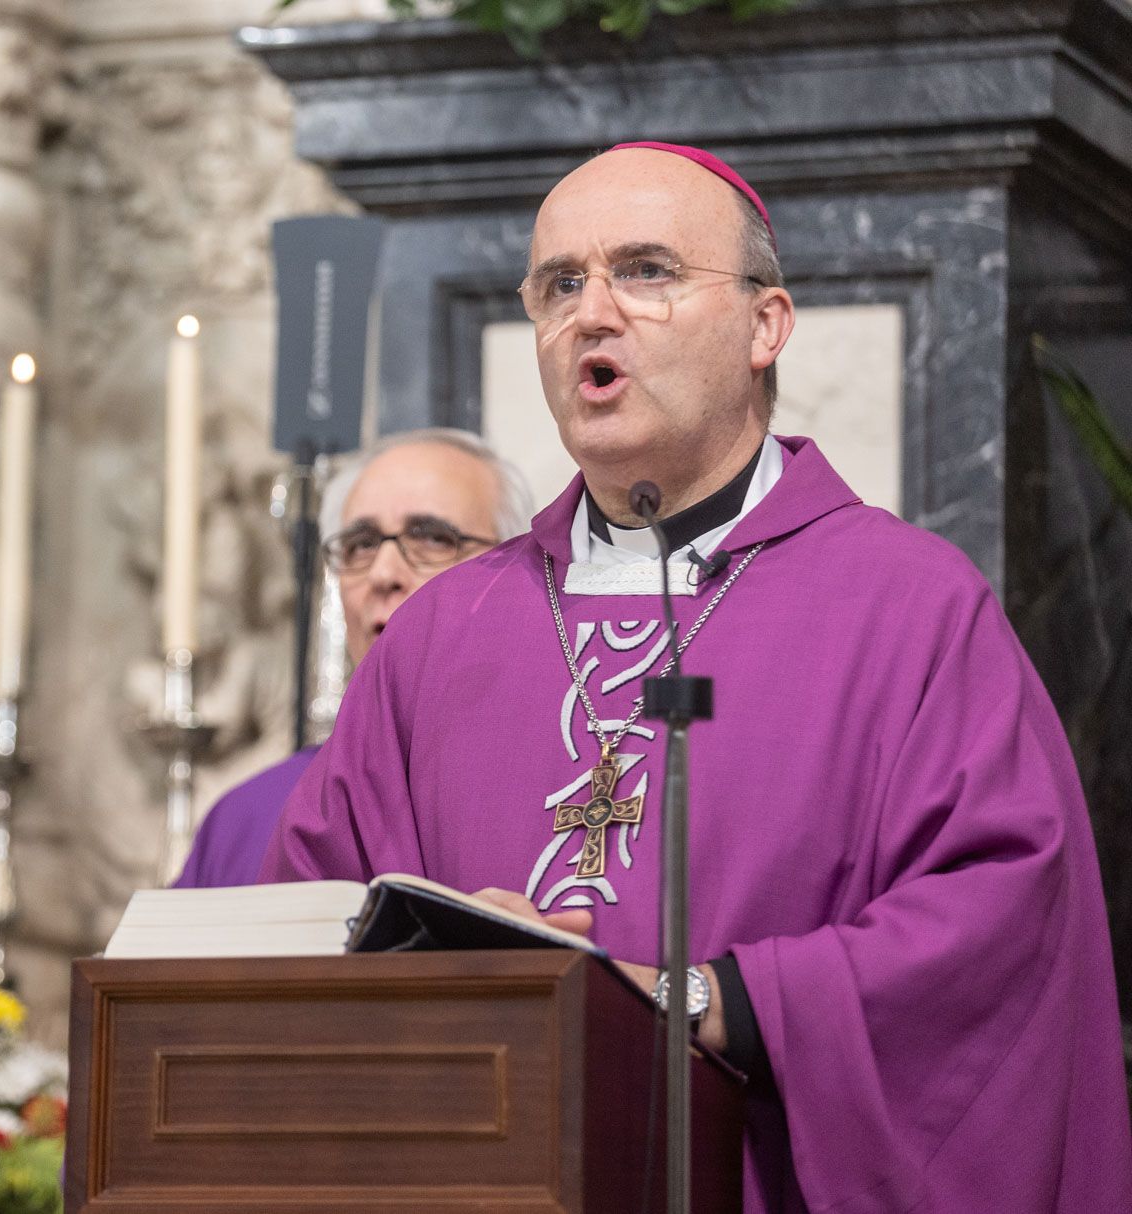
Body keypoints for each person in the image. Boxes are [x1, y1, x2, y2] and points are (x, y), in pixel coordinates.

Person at [259, 142, 1132, 1210]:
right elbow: (302, 925)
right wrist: (429, 958)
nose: (593, 312)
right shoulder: (445, 629)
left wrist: (709, 997)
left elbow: (998, 930)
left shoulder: (907, 607)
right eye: (561, 283)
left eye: (648, 271)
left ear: (767, 325)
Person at [171, 429, 528, 888]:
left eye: (434, 539)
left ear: (518, 572)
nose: (382, 574)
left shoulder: (560, 788)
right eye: (360, 545)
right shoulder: (248, 818)